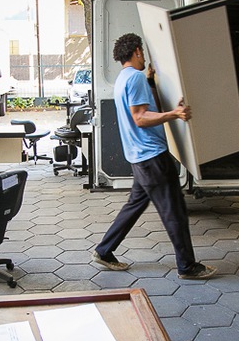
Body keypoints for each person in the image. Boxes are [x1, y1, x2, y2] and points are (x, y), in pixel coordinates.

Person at [92, 33, 217, 280]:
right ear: (137, 51)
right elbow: (140, 117)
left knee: (134, 206)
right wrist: (175, 114)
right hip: (152, 156)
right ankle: (187, 266)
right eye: (143, 53)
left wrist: (151, 83)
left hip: (139, 157)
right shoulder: (135, 78)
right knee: (175, 211)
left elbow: (144, 108)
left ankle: (104, 251)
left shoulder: (124, 78)